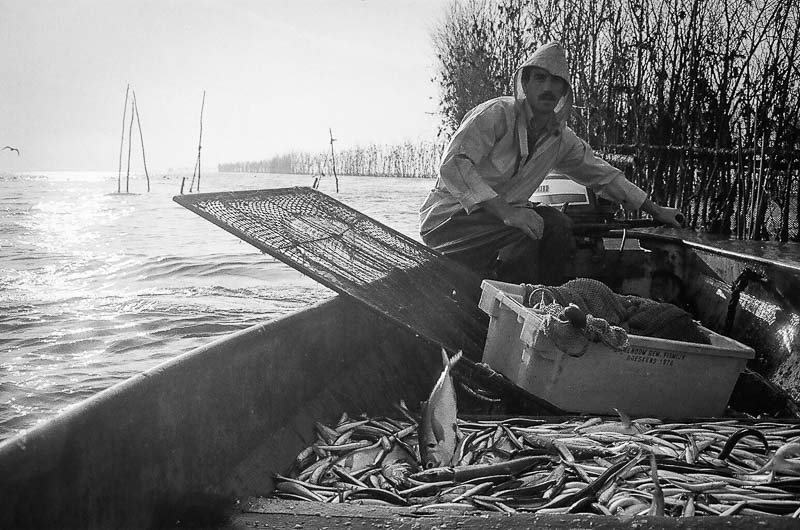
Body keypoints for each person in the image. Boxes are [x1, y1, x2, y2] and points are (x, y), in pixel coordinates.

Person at [419, 42, 683, 285]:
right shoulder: (497, 114)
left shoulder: (560, 138)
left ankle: (549, 300)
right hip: (449, 221)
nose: (547, 88)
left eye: (556, 81)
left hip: (501, 223)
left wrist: (656, 210)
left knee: (557, 224)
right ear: (526, 82)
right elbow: (454, 164)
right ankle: (512, 308)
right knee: (528, 229)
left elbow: (602, 175)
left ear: (563, 91)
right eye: (540, 78)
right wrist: (508, 213)